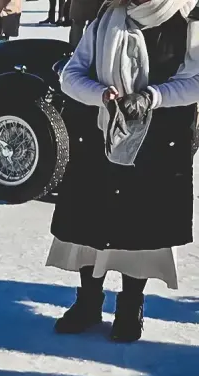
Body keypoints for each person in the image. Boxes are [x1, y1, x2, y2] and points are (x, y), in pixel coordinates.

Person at [47, 0, 199, 342]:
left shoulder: (186, 17)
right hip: (101, 133)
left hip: (159, 139)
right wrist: (101, 95)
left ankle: (130, 305)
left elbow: (196, 81)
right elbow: (70, 75)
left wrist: (152, 97)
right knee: (90, 220)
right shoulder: (108, 16)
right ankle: (88, 301)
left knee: (140, 224)